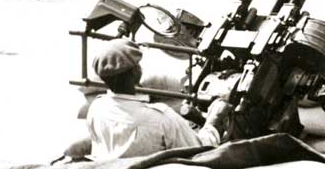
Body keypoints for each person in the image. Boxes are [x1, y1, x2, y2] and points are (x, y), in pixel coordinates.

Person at [86, 38, 230, 160]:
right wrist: (214, 119)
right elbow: (201, 151)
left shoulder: (97, 108)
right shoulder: (160, 117)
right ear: (135, 72)